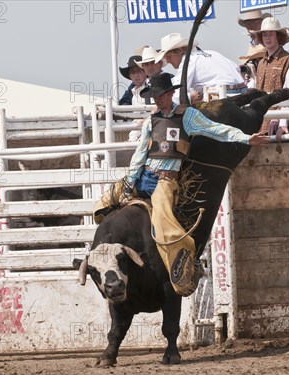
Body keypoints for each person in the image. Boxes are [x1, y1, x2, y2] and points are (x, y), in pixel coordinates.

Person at [93, 73, 272, 296]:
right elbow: (141, 153)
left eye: (160, 94)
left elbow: (215, 130)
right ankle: (103, 255)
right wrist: (129, 182)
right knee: (100, 205)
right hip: (144, 175)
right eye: (153, 95)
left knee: (165, 225)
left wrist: (246, 138)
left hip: (166, 181)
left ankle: (185, 266)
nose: (157, 99)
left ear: (169, 94)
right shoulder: (151, 121)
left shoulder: (186, 117)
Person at [154, 33, 246, 102]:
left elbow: (178, 94)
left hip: (220, 98)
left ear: (179, 52)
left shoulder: (187, 60)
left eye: (169, 57)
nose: (168, 61)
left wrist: (190, 96)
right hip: (242, 94)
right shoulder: (212, 53)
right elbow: (237, 69)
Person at [253, 18, 289, 135]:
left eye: (271, 33)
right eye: (264, 34)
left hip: (279, 119)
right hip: (261, 120)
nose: (267, 37)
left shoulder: (288, 59)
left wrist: (279, 117)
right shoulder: (261, 63)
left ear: (278, 36)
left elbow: (288, 92)